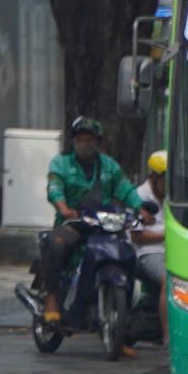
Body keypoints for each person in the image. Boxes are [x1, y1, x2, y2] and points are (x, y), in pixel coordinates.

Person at [42, 116, 151, 323]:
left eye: (90, 139)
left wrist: (140, 209)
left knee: (128, 257)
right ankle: (52, 297)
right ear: (74, 141)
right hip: (73, 223)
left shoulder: (109, 166)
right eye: (81, 139)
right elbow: (54, 188)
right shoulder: (61, 163)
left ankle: (123, 324)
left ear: (98, 142)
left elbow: (125, 189)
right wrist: (64, 209)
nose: (86, 143)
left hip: (104, 225)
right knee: (57, 244)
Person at [130, 149, 168, 344]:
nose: (169, 184)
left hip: (175, 250)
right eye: (165, 179)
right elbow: (137, 236)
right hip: (149, 253)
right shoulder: (139, 197)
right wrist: (167, 235)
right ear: (154, 177)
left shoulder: (174, 196)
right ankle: (167, 335)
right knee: (167, 281)